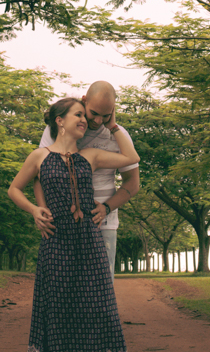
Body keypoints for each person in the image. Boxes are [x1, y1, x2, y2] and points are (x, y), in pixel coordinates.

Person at [7, 97, 138, 352]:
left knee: (100, 308)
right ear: (59, 121)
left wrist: (113, 124)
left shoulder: (91, 156)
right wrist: (34, 210)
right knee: (60, 310)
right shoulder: (39, 156)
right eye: (77, 115)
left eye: (84, 115)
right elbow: (14, 188)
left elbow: (132, 157)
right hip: (56, 241)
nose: (83, 120)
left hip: (89, 240)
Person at [35, 81, 140, 277]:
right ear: (84, 101)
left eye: (106, 115)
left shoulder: (119, 136)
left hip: (102, 223)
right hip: (63, 221)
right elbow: (41, 174)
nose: (99, 121)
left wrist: (106, 207)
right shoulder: (60, 129)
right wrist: (42, 211)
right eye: (94, 113)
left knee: (101, 286)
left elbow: (133, 183)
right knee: (64, 283)